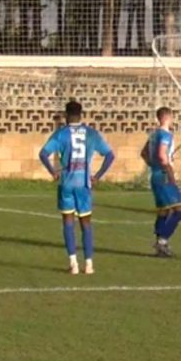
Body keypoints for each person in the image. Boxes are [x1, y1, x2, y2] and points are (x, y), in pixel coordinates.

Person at [39, 101, 116, 275]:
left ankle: (73, 264)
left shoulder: (61, 134)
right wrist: (97, 176)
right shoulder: (91, 134)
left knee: (68, 221)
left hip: (67, 182)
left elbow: (43, 154)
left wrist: (53, 172)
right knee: (86, 222)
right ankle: (89, 264)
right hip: (84, 184)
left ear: (66, 115)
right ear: (81, 114)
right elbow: (110, 156)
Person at [141, 107, 181, 258]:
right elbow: (161, 155)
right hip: (163, 176)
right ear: (168, 118)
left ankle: (161, 248)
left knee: (163, 211)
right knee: (179, 212)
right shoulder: (166, 135)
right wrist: (169, 172)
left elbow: (144, 153)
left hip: (155, 175)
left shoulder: (153, 134)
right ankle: (162, 241)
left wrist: (152, 165)